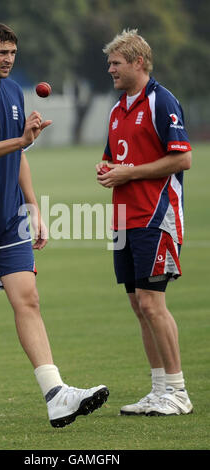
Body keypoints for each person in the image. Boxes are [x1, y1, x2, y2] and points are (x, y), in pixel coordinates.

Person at [0, 21, 109, 433]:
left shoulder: (14, 92)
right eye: (1, 53)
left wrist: (33, 207)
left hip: (8, 219)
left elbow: (19, 158)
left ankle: (56, 394)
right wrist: (22, 140)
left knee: (28, 299)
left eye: (13, 53)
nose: (9, 60)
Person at [96, 29, 193, 416]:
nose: (110, 69)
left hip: (156, 216)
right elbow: (114, 158)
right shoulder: (118, 108)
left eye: (116, 63)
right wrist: (108, 170)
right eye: (109, 63)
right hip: (125, 218)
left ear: (139, 62)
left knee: (153, 303)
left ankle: (178, 391)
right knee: (139, 304)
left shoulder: (161, 101)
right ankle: (158, 391)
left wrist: (129, 173)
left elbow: (182, 159)